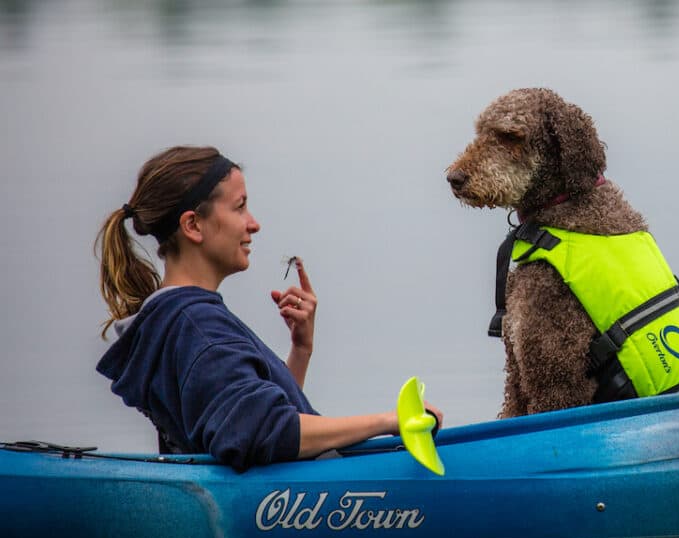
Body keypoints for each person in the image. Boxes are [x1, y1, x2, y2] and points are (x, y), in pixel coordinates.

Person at [95, 145, 441, 471]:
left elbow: (256, 428)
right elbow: (258, 432)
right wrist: (390, 421)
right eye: (239, 207)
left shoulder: (175, 320)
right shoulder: (198, 324)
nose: (254, 224)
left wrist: (300, 351)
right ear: (193, 225)